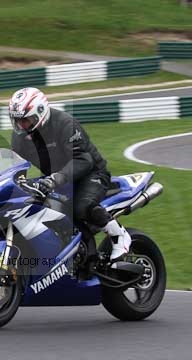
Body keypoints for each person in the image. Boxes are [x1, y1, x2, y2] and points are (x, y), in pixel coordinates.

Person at [8, 87, 131, 267]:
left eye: (25, 120)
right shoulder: (19, 136)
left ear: (40, 113)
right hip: (55, 179)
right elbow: (14, 164)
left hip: (91, 174)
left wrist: (56, 178)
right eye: (18, 121)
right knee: (31, 207)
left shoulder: (65, 124)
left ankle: (119, 235)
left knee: (81, 207)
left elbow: (83, 160)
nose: (22, 125)